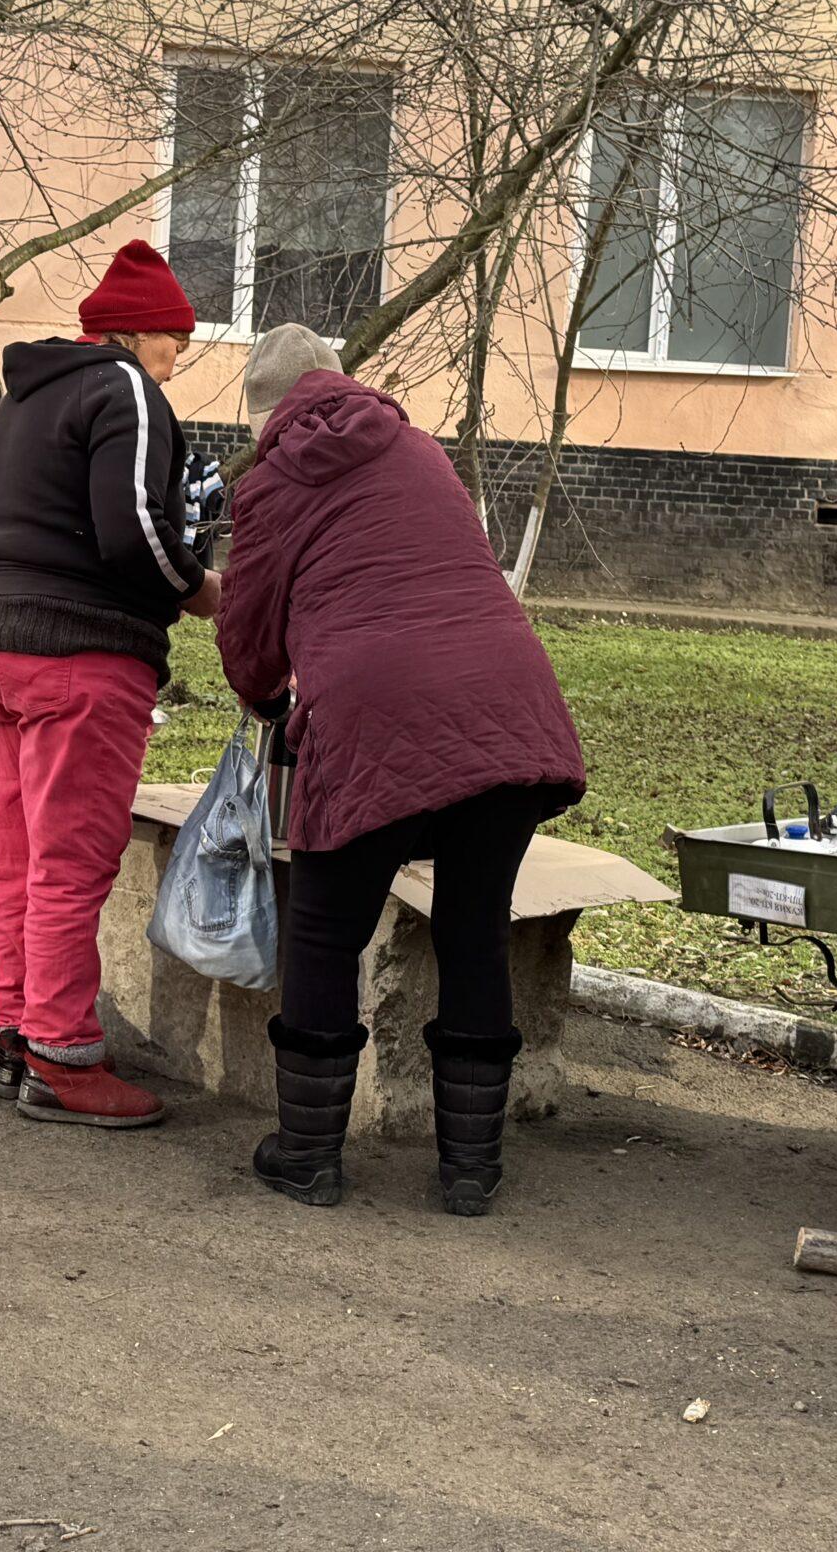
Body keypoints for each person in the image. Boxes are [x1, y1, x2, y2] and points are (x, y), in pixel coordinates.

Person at [216, 325, 586, 1215]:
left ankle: (307, 1155)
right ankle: (469, 1171)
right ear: (344, 383)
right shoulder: (420, 450)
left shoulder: (270, 483)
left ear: (264, 416)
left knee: (321, 929)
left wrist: (265, 700)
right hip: (506, 705)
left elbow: (249, 630)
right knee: (472, 927)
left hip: (377, 717)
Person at [0, 238, 221, 1128]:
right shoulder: (127, 393)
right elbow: (134, 527)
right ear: (140, 332)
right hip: (80, 656)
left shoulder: (21, 402)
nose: (176, 361)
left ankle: (15, 1031)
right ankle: (66, 1059)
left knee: (14, 859)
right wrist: (197, 588)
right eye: (174, 341)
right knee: (70, 866)